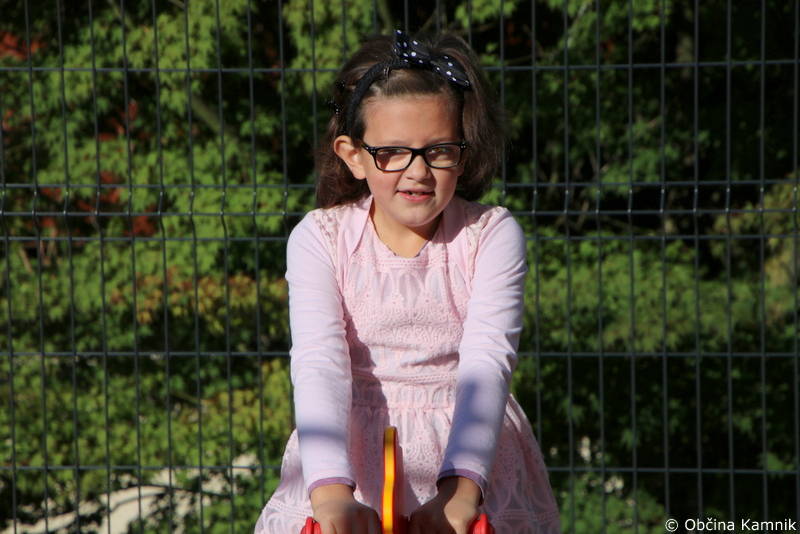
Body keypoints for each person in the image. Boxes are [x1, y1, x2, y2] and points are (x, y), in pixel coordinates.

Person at [254, 30, 560, 534]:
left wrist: (461, 491)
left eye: (438, 150)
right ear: (353, 155)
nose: (417, 171)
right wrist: (331, 495)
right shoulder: (321, 238)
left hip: (469, 459)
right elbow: (320, 363)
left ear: (463, 153)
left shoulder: (490, 234)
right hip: (349, 458)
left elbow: (487, 361)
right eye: (392, 152)